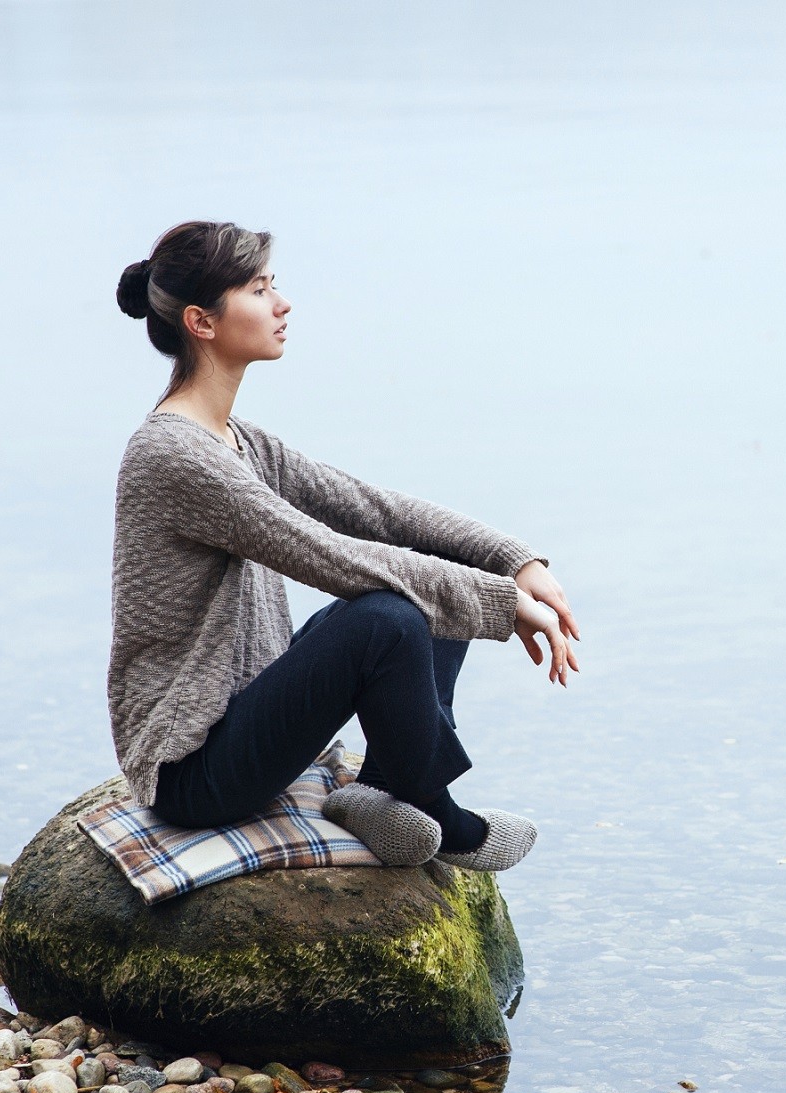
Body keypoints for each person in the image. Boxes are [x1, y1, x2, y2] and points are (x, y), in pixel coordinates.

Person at [108, 220, 577, 871]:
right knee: (387, 615)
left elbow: (374, 512)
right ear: (202, 322)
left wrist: (510, 559)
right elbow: (331, 557)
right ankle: (438, 811)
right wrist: (498, 604)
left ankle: (383, 789)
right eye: (258, 289)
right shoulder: (173, 456)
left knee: (436, 573)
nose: (283, 303)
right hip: (191, 774)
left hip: (248, 722)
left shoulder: (236, 440)